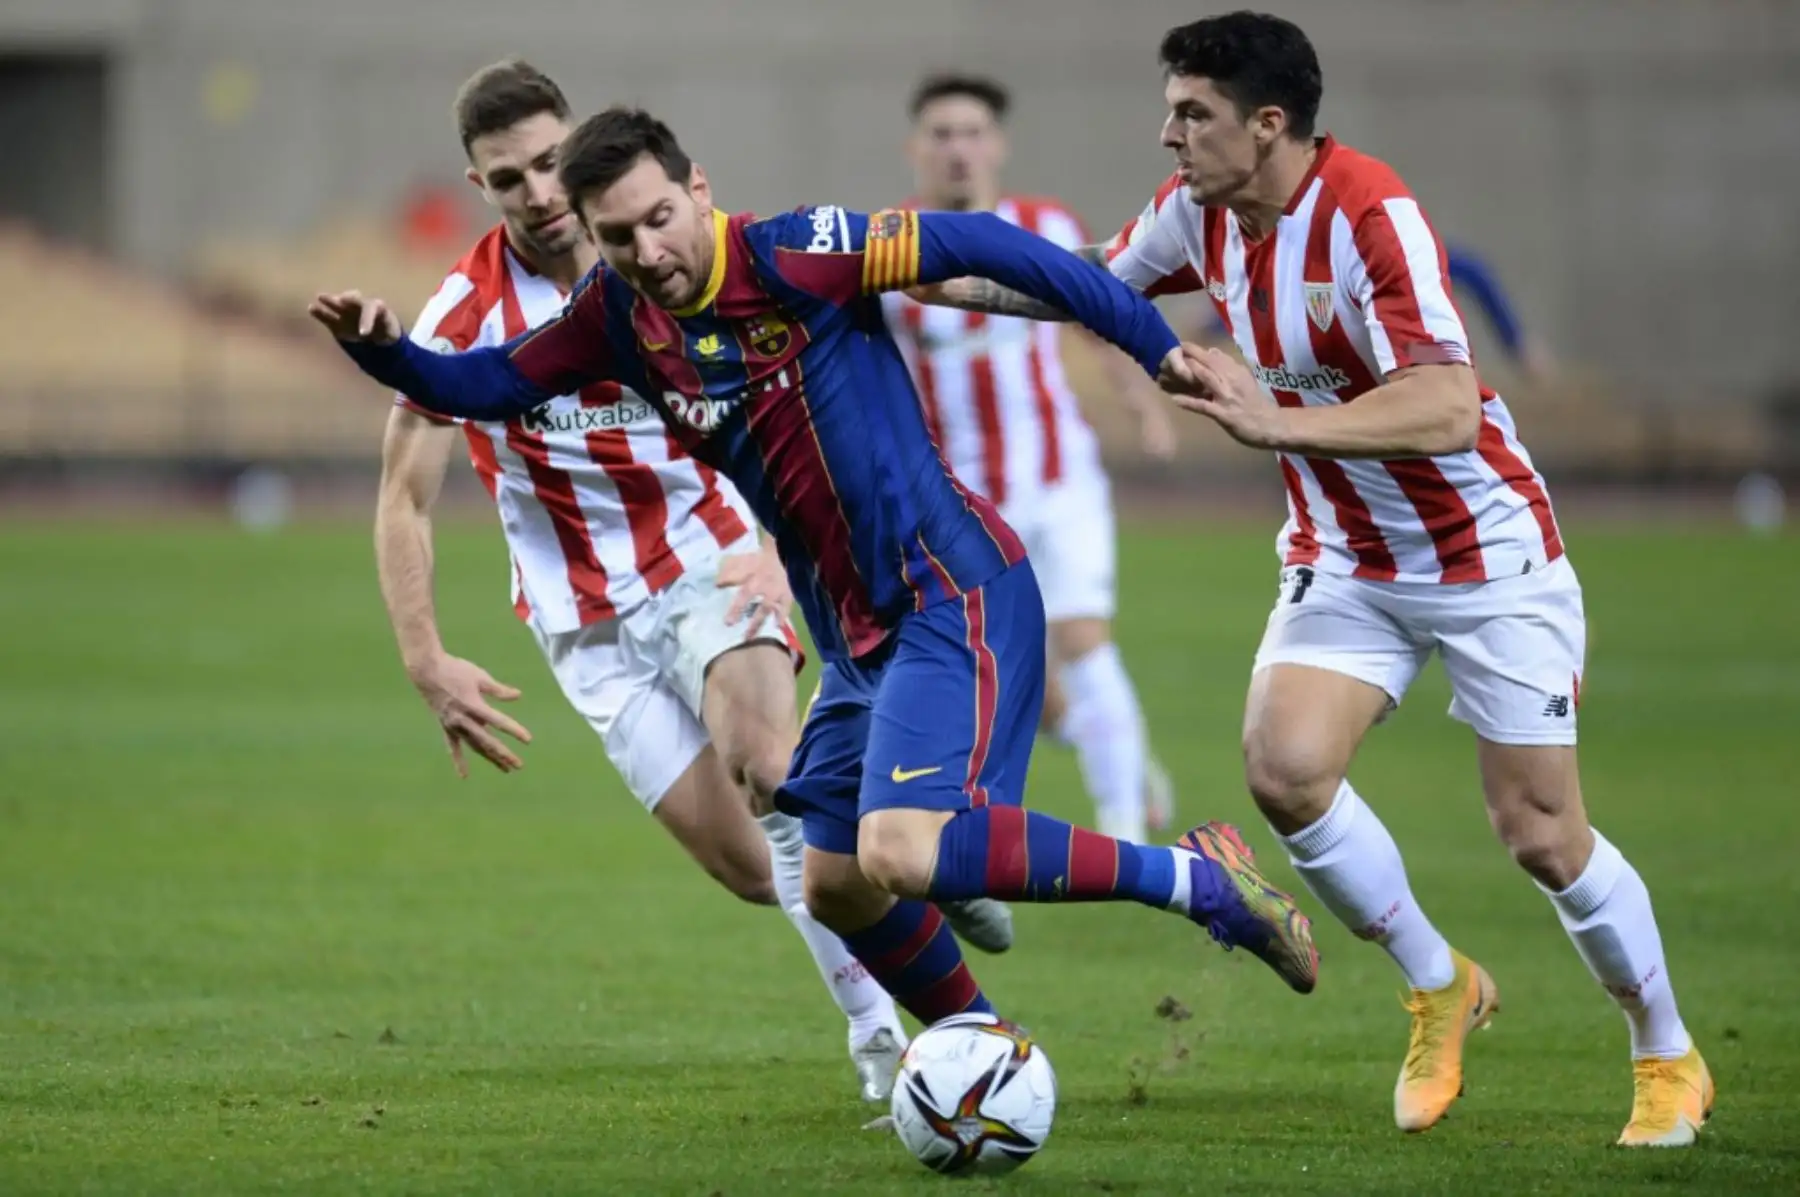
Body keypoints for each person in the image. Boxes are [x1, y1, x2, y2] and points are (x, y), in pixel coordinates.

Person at [312, 105, 1321, 1041]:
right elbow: (482, 382)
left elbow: (995, 249)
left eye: (661, 218)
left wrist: (1153, 349)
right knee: (835, 885)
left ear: (698, 189)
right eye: (618, 237)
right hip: (854, 639)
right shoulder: (614, 315)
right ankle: (980, 1050)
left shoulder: (804, 250)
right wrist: (387, 353)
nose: (649, 252)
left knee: (900, 852)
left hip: (950, 590)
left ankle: (1199, 881)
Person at [915, 11, 1707, 1148]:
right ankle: (1440, 987)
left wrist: (1274, 420)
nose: (1168, 134)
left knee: (1539, 833)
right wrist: (908, 272)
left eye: (1193, 113)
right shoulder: (1200, 213)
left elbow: (1444, 403)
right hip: (1345, 557)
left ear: (1269, 124)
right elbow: (1083, 286)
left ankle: (1664, 1048)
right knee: (1285, 770)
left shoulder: (1370, 213)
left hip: (1483, 559)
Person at [373, 60, 1012, 1105]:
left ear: (578, 151)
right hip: (583, 624)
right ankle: (924, 862)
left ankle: (893, 1050)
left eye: (547, 163)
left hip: (712, 558)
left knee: (771, 773)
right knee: (761, 870)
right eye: (507, 178)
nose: (537, 193)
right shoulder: (466, 309)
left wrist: (769, 539)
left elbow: (791, 384)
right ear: (477, 186)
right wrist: (423, 655)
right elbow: (403, 492)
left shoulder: (673, 260)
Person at [882, 73, 1179, 844]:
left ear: (998, 145)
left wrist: (1144, 401)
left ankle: (1125, 834)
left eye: (973, 132)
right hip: (964, 503)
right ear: (916, 147)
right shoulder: (887, 249)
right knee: (1027, 689)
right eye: (942, 133)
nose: (958, 149)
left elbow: (1100, 316)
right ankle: (1122, 753)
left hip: (1059, 480)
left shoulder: (1045, 224)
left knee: (1084, 639)